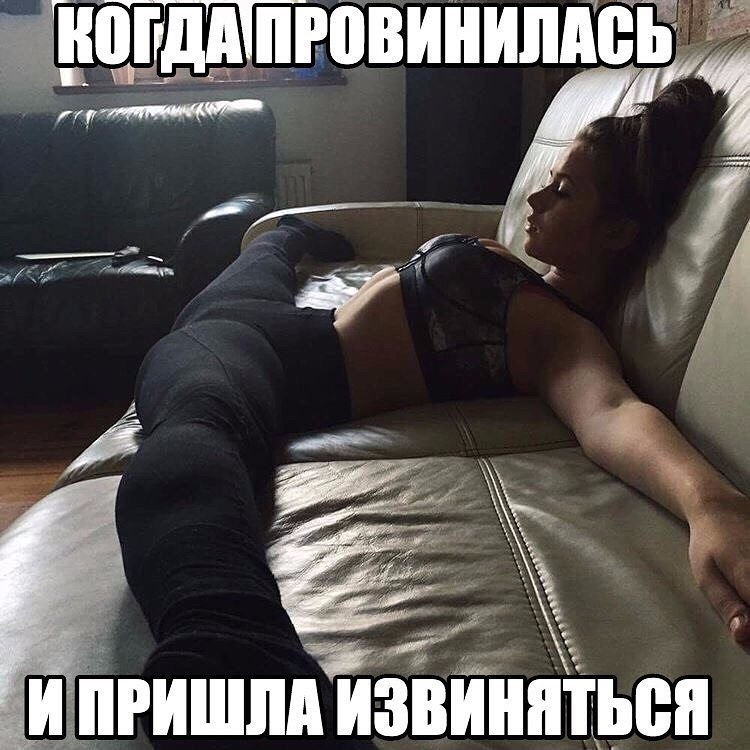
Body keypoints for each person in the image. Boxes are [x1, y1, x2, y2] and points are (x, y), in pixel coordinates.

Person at [115, 76, 750, 748]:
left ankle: (234, 662)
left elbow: (613, 411)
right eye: (548, 182)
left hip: (256, 358)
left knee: (191, 428)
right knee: (257, 262)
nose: (534, 198)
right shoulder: (529, 277)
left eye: (563, 192)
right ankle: (289, 239)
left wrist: (710, 502)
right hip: (280, 325)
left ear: (618, 232)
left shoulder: (556, 333)